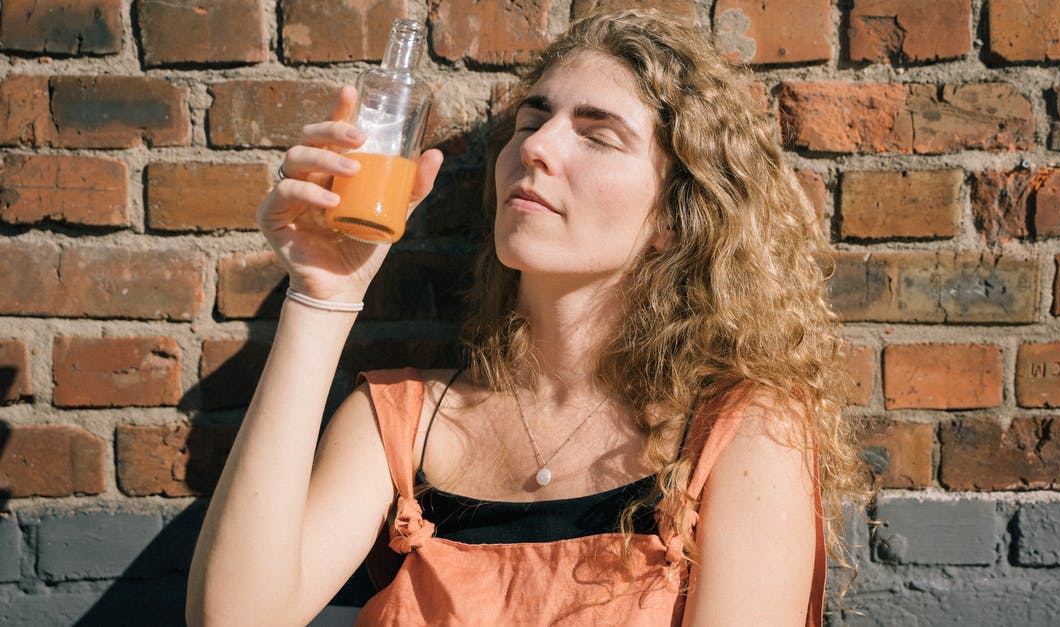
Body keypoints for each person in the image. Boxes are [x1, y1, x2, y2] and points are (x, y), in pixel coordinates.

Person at [187, 9, 865, 626]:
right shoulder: (399, 422)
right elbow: (234, 619)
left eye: (598, 135)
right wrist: (323, 291)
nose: (537, 148)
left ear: (671, 216)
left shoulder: (739, 430)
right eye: (530, 121)